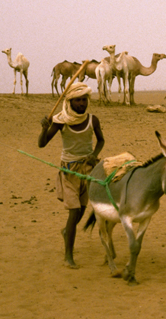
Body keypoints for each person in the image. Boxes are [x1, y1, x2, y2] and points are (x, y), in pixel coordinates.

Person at [38, 82, 104, 269]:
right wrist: (44, 128)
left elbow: (101, 140)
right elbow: (42, 144)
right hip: (68, 171)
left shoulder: (93, 120)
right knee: (74, 211)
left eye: (84, 100)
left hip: (88, 170)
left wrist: (94, 154)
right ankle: (69, 256)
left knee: (82, 210)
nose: (82, 103)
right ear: (70, 102)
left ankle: (67, 231)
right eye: (78, 100)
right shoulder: (61, 120)